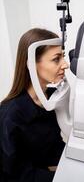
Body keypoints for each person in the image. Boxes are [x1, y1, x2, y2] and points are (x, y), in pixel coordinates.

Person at [0, 28, 69, 182]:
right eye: (56, 59)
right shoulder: (10, 115)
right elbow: (17, 174)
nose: (66, 65)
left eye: (63, 57)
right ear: (31, 64)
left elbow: (53, 149)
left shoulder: (50, 100)